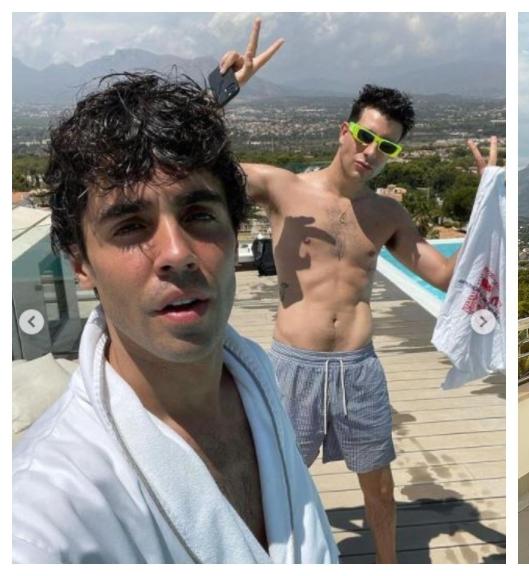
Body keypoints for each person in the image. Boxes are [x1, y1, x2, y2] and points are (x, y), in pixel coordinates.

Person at [12, 73, 336, 563]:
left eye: (199, 215)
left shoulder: (257, 379)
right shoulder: (43, 514)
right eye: (130, 226)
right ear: (80, 263)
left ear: (232, 230)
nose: (177, 253)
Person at [218, 20, 501, 563]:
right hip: (292, 367)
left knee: (380, 489)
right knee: (276, 485)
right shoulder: (282, 187)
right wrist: (224, 89)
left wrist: (488, 207)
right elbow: (198, 163)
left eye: (386, 145)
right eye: (366, 136)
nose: (371, 150)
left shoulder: (385, 213)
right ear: (343, 131)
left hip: (358, 368)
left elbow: (443, 276)